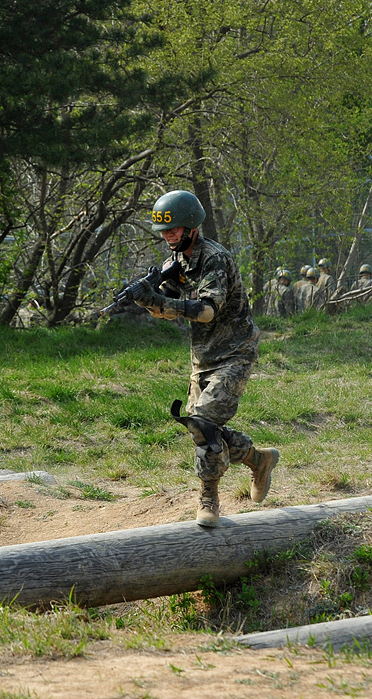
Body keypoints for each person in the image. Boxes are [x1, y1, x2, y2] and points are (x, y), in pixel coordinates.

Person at [132, 189, 279, 527]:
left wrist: (162, 303)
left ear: (192, 226)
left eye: (174, 229)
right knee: (202, 429)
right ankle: (258, 460)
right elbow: (167, 309)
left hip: (235, 351)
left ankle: (208, 497)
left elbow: (206, 312)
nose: (169, 236)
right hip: (203, 357)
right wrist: (147, 299)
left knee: (201, 421)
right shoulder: (175, 264)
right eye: (164, 231)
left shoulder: (214, 258)